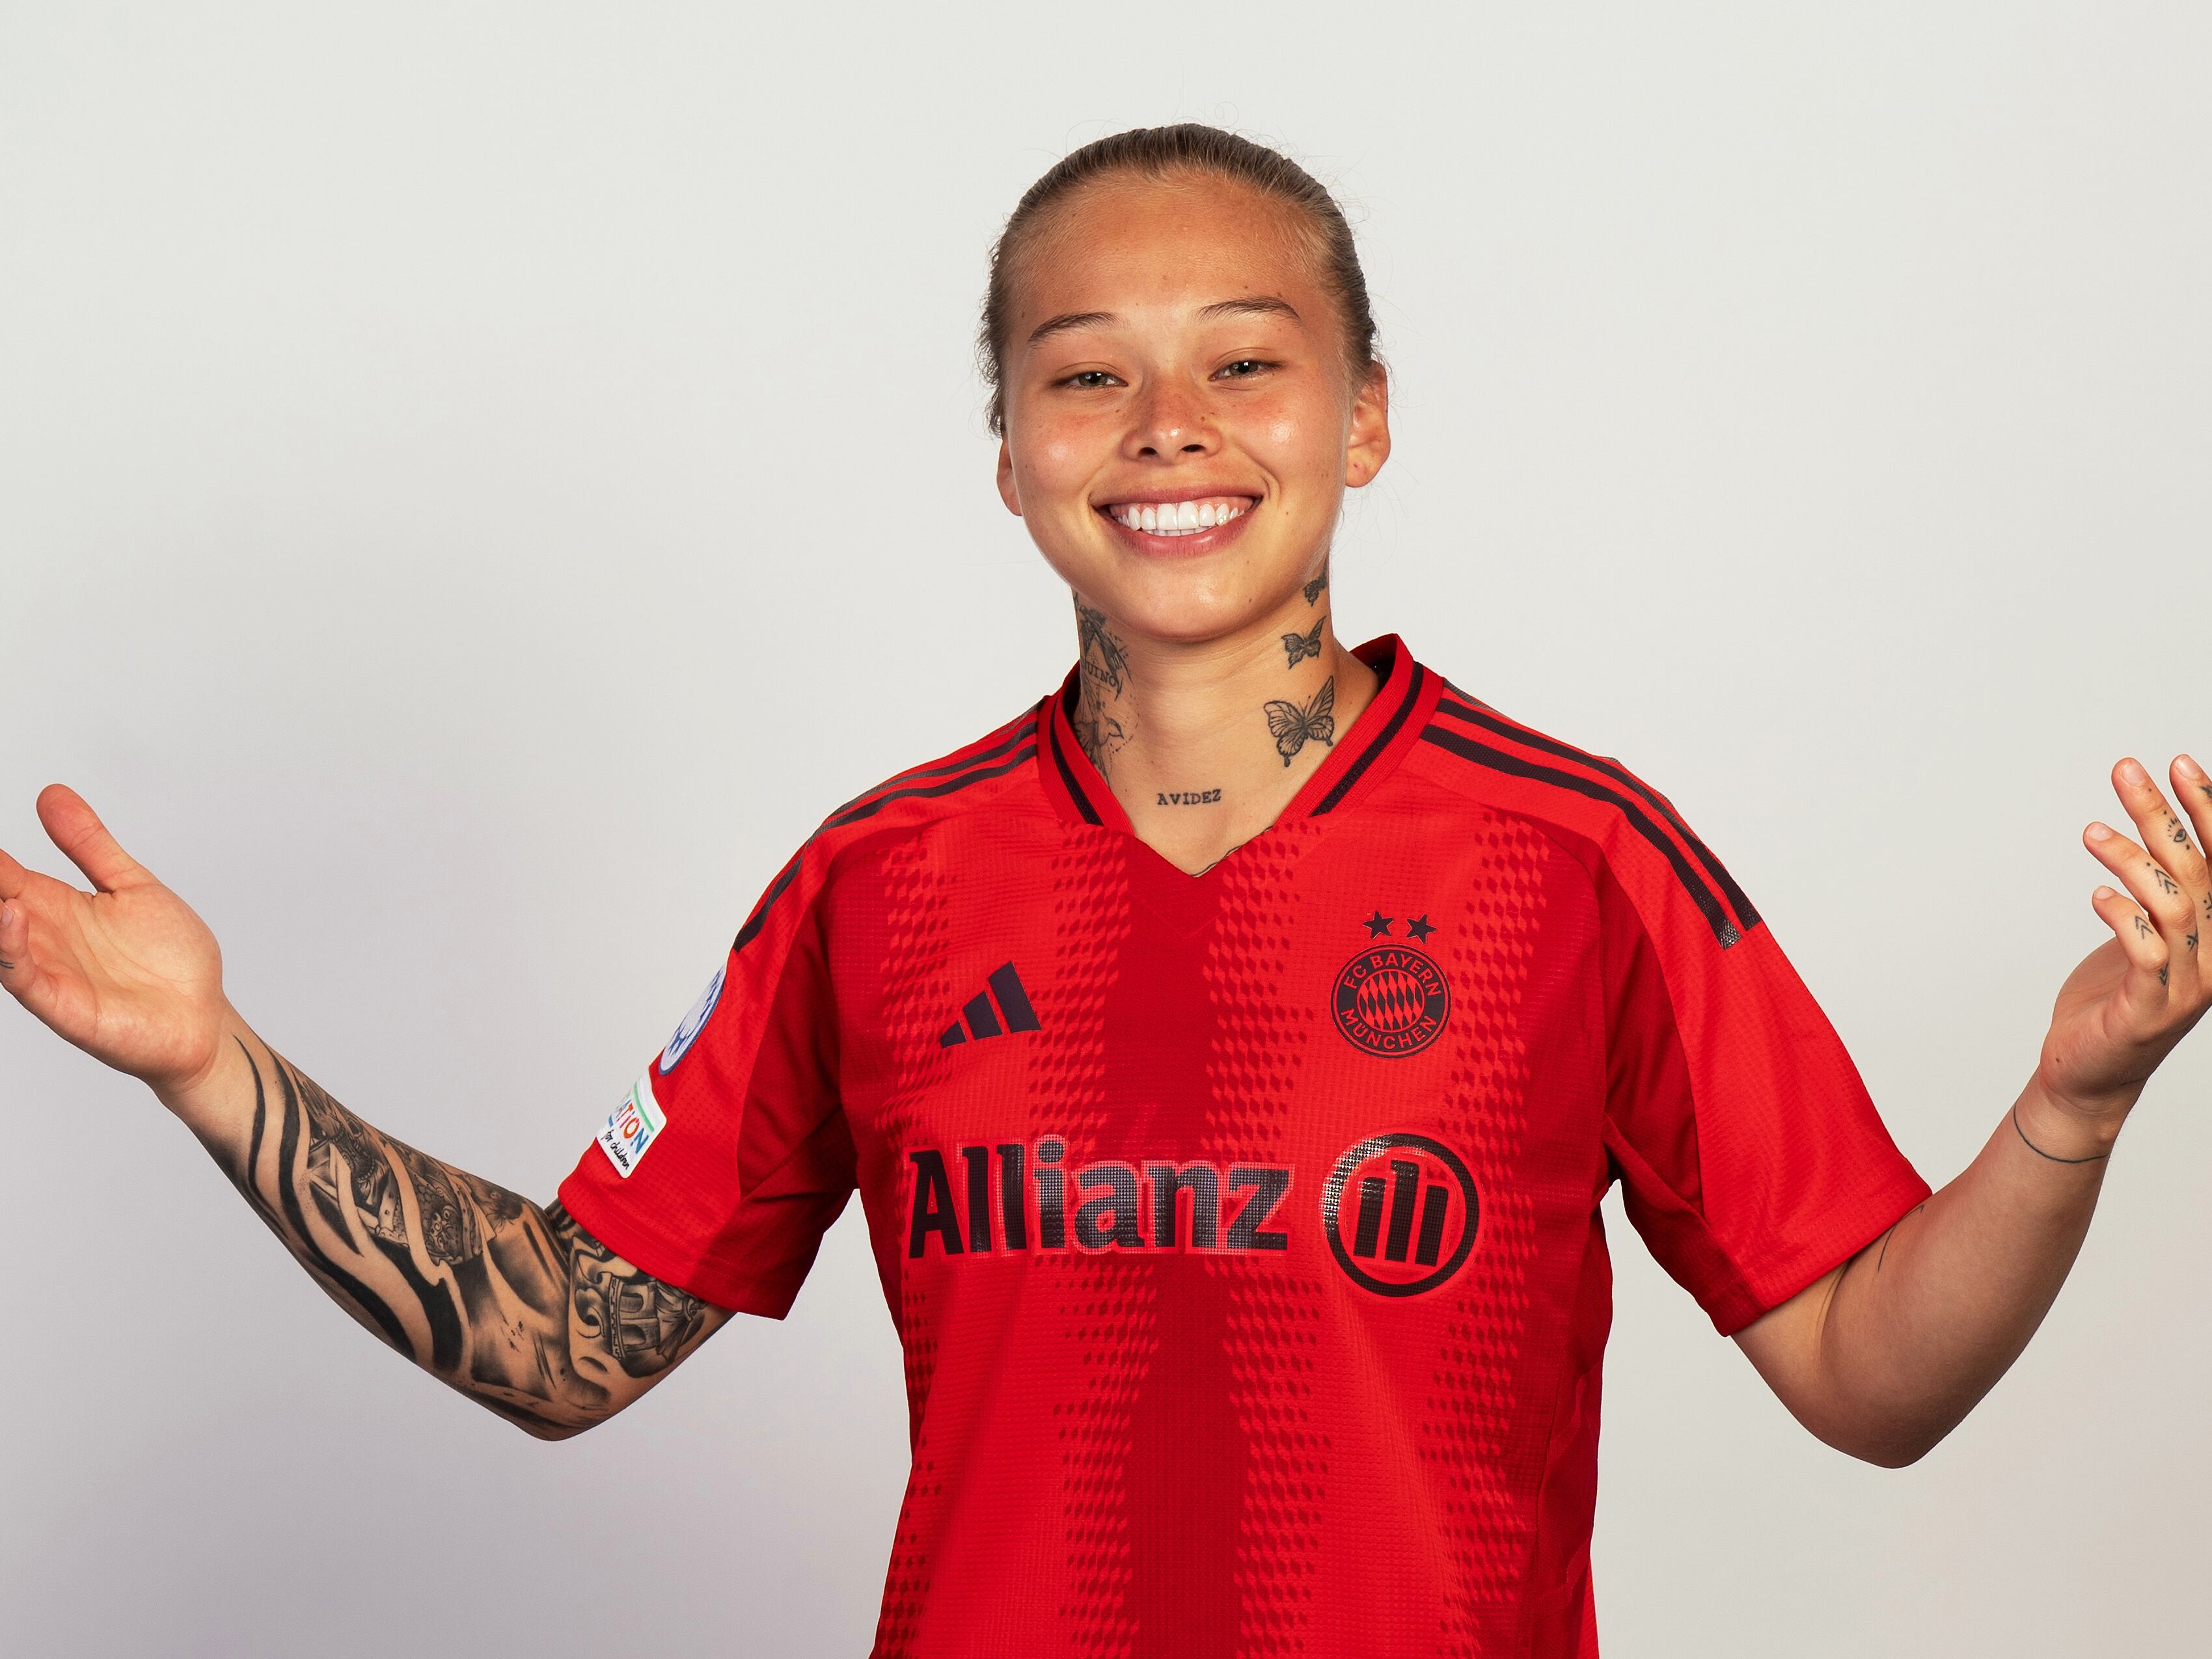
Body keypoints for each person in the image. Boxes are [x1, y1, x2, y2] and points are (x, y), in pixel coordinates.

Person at [0, 124, 2204, 1658]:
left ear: (1363, 420)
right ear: (1011, 455)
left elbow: (1867, 1376)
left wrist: (2072, 1112)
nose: (1169, 422)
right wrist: (213, 1065)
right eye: (1087, 374)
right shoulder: (880, 883)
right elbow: (568, 1342)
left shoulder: (1575, 859)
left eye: (1247, 359)